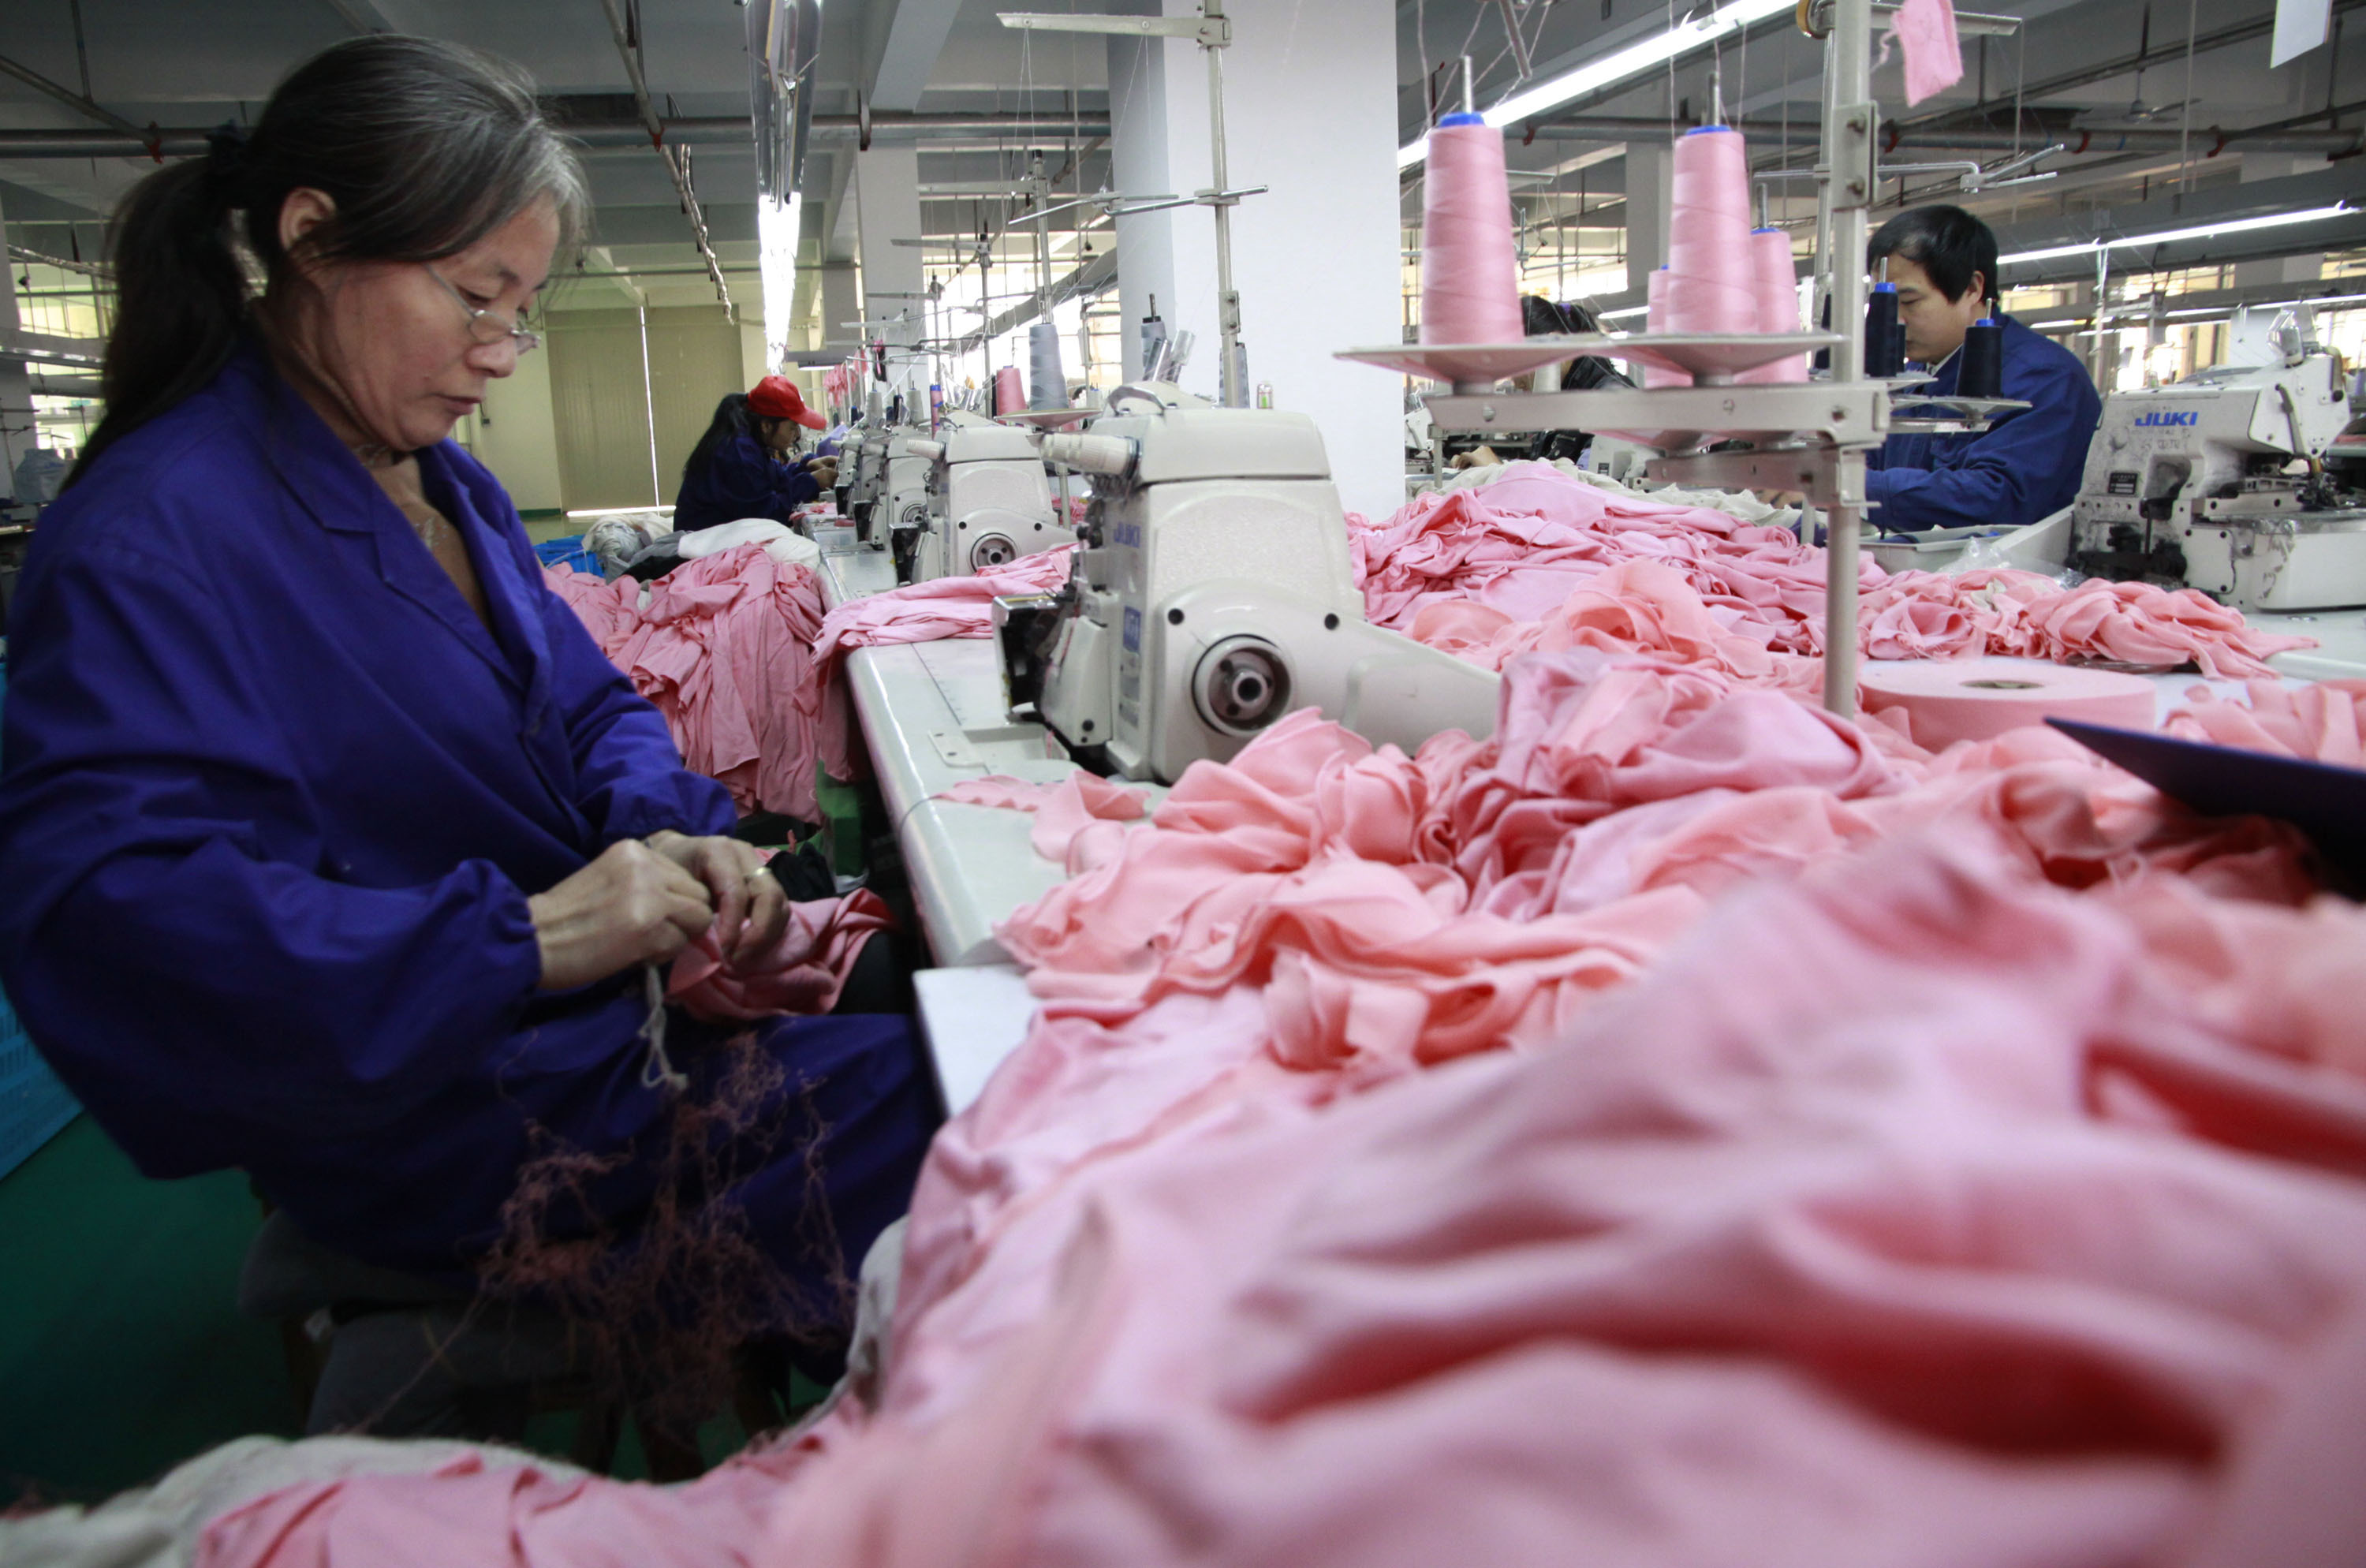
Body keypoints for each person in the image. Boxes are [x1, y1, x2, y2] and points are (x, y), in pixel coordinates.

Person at [0, 36, 935, 1416]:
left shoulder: (442, 486)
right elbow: (117, 921)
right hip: (463, 1114)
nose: (500, 351)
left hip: (574, 1042)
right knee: (992, 1110)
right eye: (474, 297)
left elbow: (587, 700)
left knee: (962, 1012)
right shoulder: (154, 537)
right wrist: (535, 936)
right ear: (313, 239)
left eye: (527, 307)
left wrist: (673, 827)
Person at [1864, 204, 2103, 533]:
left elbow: (1996, 497)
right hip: (1920, 570)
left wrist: (1851, 488)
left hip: (2010, 576)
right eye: (1883, 305)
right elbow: (1869, 463)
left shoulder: (2046, 379)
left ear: (1972, 288)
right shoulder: (1913, 379)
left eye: (1909, 302)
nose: (1894, 322)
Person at [672, 378, 838, 532]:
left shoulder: (749, 444)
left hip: (714, 539)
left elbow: (773, 478)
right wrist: (811, 482)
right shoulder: (737, 452)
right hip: (702, 547)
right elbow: (766, 513)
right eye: (792, 428)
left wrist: (807, 467)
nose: (795, 436)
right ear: (766, 425)